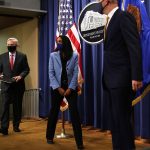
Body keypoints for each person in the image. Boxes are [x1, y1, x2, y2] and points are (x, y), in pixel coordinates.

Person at [99, 0, 143, 149]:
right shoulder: (109, 21)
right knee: (116, 124)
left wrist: (136, 76)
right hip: (111, 80)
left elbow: (134, 46)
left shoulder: (123, 17)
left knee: (123, 124)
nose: (98, 2)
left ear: (107, 1)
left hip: (121, 80)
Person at [46, 35, 84, 150]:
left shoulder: (74, 56)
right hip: (57, 88)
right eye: (57, 42)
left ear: (66, 43)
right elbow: (51, 73)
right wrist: (58, 88)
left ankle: (79, 143)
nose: (59, 44)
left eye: (61, 42)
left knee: (75, 114)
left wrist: (70, 88)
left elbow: (75, 73)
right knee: (53, 112)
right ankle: (49, 137)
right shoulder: (53, 55)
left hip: (70, 88)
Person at [0, 37, 30, 135]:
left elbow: (26, 69)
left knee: (17, 107)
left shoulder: (22, 56)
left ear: (16, 46)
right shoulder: (2, 56)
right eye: (8, 45)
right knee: (4, 107)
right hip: (5, 86)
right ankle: (4, 128)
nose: (10, 47)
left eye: (12, 45)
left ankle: (16, 126)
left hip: (18, 86)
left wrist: (21, 76)